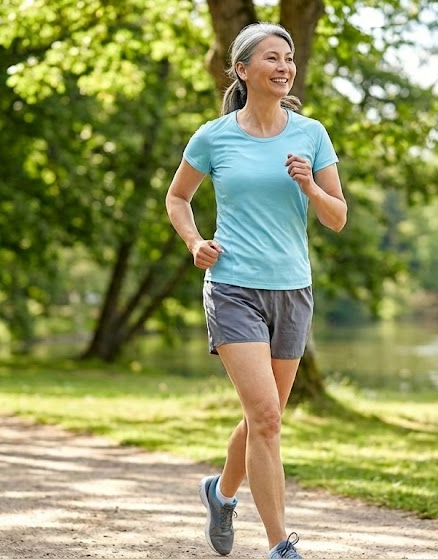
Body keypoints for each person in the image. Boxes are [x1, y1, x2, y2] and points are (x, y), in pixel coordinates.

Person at [164, 21, 347, 559]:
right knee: (266, 418)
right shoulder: (214, 136)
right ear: (242, 70)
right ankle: (279, 546)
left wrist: (309, 184)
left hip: (292, 289)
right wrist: (195, 242)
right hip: (233, 287)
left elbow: (337, 217)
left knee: (264, 418)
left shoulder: (311, 134)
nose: (284, 67)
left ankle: (220, 495)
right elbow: (178, 198)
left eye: (288, 58)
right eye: (271, 58)